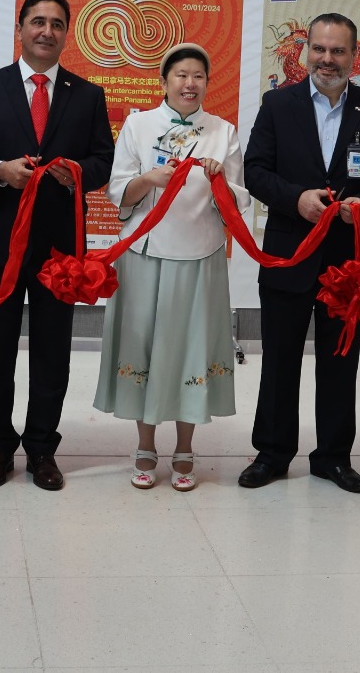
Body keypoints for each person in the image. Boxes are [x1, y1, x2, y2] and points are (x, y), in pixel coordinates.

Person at [0, 0, 115, 491]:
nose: (47, 31)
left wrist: (73, 173)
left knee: (52, 349)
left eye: (57, 24)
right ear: (20, 28)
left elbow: (102, 162)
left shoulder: (87, 95)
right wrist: (1, 171)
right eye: (38, 21)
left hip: (59, 248)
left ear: (67, 34)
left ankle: (43, 448)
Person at [240, 13, 360, 494]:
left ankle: (332, 457)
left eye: (338, 51)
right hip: (289, 254)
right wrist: (296, 200)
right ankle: (272, 453)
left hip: (347, 263)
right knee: (279, 359)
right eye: (319, 49)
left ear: (355, 56)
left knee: (340, 361)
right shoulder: (278, 104)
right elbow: (255, 170)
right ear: (305, 51)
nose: (327, 59)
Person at [93, 44, 249, 491]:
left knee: (189, 349)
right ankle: (144, 445)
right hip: (144, 256)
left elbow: (240, 201)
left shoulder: (222, 131)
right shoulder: (139, 126)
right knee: (142, 346)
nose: (189, 83)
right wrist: (148, 180)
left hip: (199, 258)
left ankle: (185, 447)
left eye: (198, 75)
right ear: (164, 81)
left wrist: (220, 181)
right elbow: (118, 190)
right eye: (181, 75)